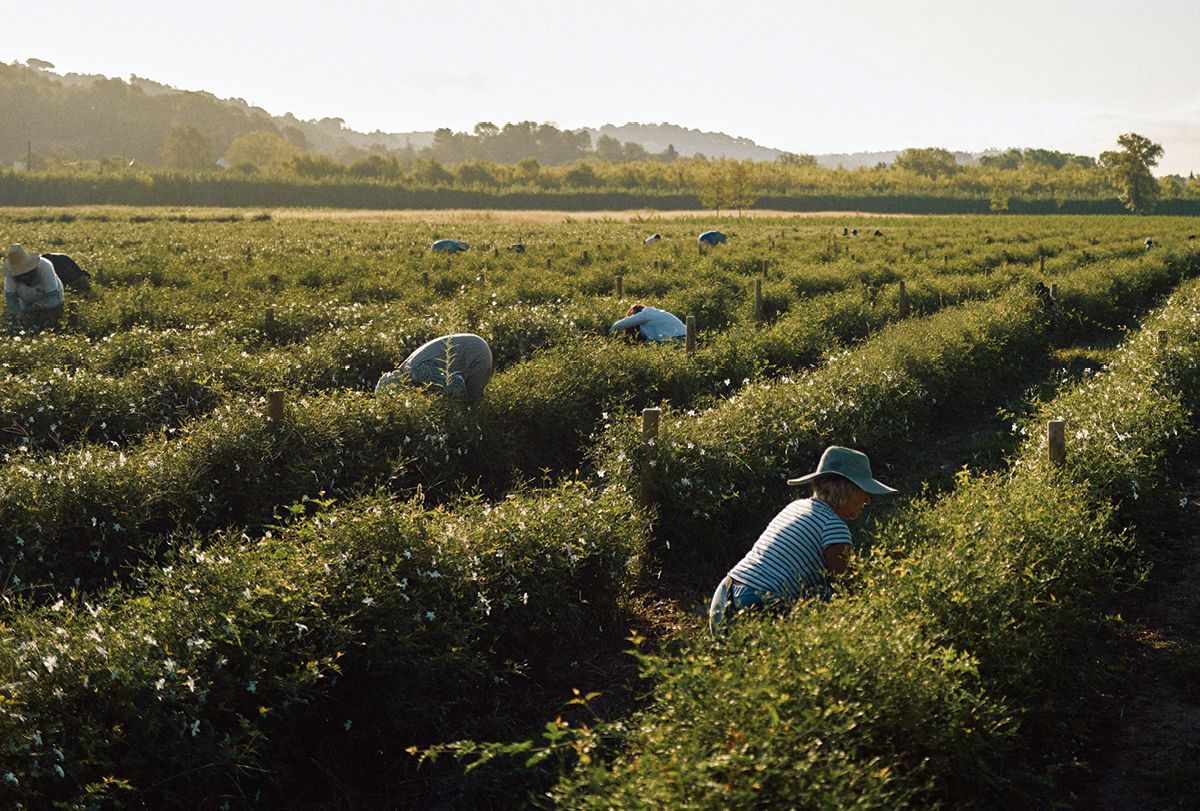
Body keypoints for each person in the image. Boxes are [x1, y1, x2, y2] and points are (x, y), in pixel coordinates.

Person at [708, 446, 896, 635]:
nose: (867, 500)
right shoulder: (834, 525)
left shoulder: (796, 507)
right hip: (756, 603)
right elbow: (850, 589)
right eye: (864, 490)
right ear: (848, 490)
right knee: (828, 595)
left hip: (724, 596)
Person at [375, 333, 493, 404]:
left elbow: (455, 384)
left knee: (471, 403)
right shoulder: (408, 368)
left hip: (476, 353)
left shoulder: (419, 372)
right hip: (473, 345)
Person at [3, 244, 65, 335]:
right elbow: (11, 300)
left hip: (50, 299)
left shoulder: (45, 266)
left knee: (50, 322)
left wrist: (42, 304)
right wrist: (19, 314)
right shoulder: (10, 273)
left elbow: (53, 296)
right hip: (25, 302)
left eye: (25, 273)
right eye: (20, 275)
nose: (23, 277)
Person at [609, 303, 686, 344]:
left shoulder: (647, 313)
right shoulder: (657, 313)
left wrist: (610, 333)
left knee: (643, 346)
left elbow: (621, 324)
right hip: (686, 338)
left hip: (675, 339)